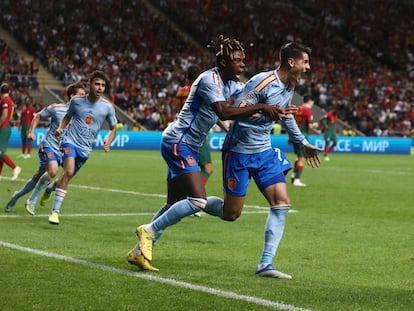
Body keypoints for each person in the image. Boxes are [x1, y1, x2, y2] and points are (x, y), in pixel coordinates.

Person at [127, 35, 282, 271]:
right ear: (223, 63)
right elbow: (224, 111)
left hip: (188, 143)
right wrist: (261, 107)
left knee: (174, 202)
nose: (242, 65)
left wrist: (274, 106)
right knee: (197, 200)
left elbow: (247, 102)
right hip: (179, 142)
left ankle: (140, 251)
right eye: (238, 61)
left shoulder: (232, 84)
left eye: (243, 60)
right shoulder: (209, 79)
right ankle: (147, 231)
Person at [46, 70, 117, 225]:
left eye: (103, 85)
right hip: (69, 140)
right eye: (97, 84)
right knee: (69, 171)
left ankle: (50, 188)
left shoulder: (107, 107)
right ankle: (55, 213)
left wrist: (108, 141)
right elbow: (67, 116)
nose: (100, 88)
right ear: (89, 85)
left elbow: (113, 128)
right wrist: (60, 128)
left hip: (85, 148)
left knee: (66, 177)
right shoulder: (77, 101)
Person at [4, 82, 86, 214]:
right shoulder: (57, 108)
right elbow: (38, 116)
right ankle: (32, 200)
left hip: (63, 151)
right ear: (72, 96)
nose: (84, 98)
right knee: (53, 171)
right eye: (81, 95)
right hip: (49, 146)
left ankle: (16, 195)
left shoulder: (81, 114)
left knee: (38, 176)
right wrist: (31, 132)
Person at [290, 93, 319, 186]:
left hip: (294, 135)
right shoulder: (308, 111)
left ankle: (294, 174)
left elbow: (291, 124)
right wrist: (315, 125)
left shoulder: (296, 109)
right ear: (310, 101)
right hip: (303, 136)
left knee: (298, 157)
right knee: (302, 158)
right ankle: (297, 180)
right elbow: (310, 126)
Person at [0, 83, 21, 180]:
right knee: (1, 152)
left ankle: (15, 167)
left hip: (3, 127)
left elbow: (4, 115)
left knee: (0, 153)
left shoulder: (5, 100)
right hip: (7, 126)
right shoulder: (11, 101)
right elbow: (9, 116)